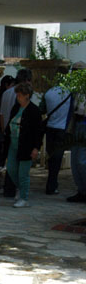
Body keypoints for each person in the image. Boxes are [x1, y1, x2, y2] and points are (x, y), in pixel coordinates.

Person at [4, 82, 43, 208]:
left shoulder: (34, 111)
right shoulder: (16, 108)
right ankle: (20, 189)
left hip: (27, 146)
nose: (17, 97)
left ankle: (24, 198)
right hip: (13, 143)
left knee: (23, 173)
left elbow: (38, 131)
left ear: (27, 95)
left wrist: (36, 148)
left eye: (20, 95)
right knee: (11, 168)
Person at [0, 69, 33, 197]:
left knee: (18, 167)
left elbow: (2, 114)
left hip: (17, 138)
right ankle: (17, 189)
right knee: (13, 166)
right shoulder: (20, 102)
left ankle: (16, 191)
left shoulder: (7, 94)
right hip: (14, 137)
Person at [39, 80, 71, 195]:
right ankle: (52, 185)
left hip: (50, 128)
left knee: (51, 157)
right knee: (57, 159)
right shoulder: (69, 92)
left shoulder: (48, 93)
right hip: (62, 128)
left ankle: (51, 183)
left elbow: (42, 109)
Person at [66, 61, 86, 204]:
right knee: (75, 161)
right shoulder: (75, 89)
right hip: (77, 124)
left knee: (81, 161)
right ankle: (81, 190)